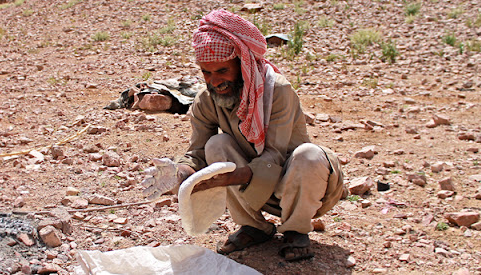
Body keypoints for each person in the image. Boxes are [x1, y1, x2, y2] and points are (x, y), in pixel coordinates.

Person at [141, 9, 348, 262]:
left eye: (222, 71)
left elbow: (274, 155)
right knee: (217, 144)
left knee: (310, 155)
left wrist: (227, 177)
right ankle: (254, 227)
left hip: (299, 186)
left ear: (243, 64)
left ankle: (296, 231)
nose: (214, 81)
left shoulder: (278, 91)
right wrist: (180, 174)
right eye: (206, 72)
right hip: (254, 187)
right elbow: (196, 152)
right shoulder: (206, 101)